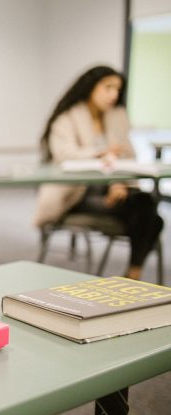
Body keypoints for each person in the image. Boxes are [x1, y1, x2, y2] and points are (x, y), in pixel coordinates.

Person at [34, 65, 163, 280]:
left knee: (147, 208)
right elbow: (64, 156)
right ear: (90, 87)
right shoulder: (67, 117)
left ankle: (133, 274)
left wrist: (119, 184)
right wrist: (99, 152)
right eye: (108, 87)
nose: (113, 94)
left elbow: (126, 157)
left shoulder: (117, 116)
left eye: (117, 89)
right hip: (76, 193)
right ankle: (133, 276)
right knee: (150, 215)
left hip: (114, 189)